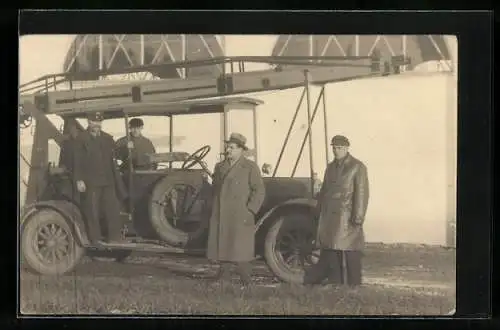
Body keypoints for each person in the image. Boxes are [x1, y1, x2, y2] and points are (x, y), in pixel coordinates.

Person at [304, 135, 370, 286]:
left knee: (351, 253)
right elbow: (325, 191)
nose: (336, 151)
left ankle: (354, 286)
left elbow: (361, 193)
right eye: (334, 147)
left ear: (347, 148)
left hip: (348, 217)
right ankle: (337, 284)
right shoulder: (330, 167)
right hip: (331, 217)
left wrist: (358, 217)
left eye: (339, 148)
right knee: (332, 251)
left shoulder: (357, 167)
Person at [207, 132, 266, 286]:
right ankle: (223, 276)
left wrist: (251, 209)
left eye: (232, 148)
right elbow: (215, 188)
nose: (228, 150)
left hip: (241, 213)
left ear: (241, 150)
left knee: (241, 247)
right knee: (224, 243)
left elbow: (259, 190)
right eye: (227, 147)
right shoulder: (220, 167)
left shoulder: (250, 167)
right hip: (222, 212)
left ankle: (246, 279)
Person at [73, 112, 128, 245]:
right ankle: (95, 238)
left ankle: (114, 237)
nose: (96, 125)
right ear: (88, 122)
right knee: (92, 210)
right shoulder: (80, 139)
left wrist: (128, 148)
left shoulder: (107, 139)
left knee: (112, 208)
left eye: (99, 122)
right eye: (93, 122)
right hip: (90, 181)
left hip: (108, 180)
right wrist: (79, 179)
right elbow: (76, 161)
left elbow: (117, 155)